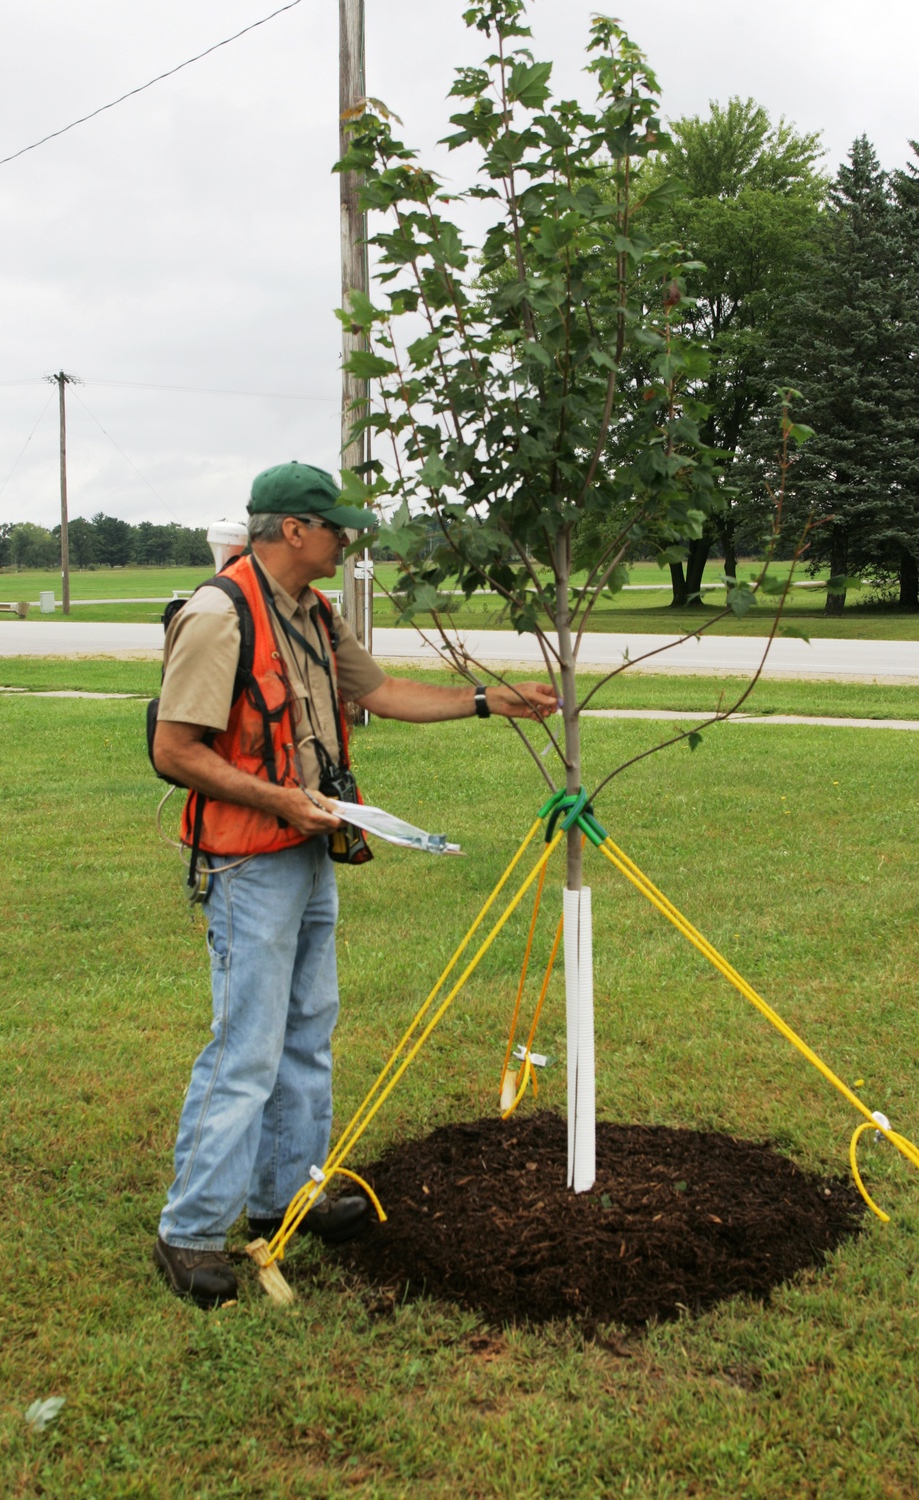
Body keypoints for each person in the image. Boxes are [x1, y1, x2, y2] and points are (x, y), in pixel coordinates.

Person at [151, 461, 557, 1307]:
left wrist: (490, 700)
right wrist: (279, 802)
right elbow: (175, 750)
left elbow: (383, 692)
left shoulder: (313, 610)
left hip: (308, 846)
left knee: (307, 1030)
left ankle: (288, 1197)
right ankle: (189, 1232)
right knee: (247, 1046)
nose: (349, 537)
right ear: (292, 531)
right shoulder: (219, 615)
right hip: (250, 859)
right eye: (337, 526)